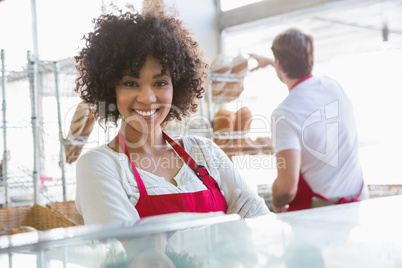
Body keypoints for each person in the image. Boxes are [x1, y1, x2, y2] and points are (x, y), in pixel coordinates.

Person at [73, 6, 270, 226]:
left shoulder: (204, 151)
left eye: (160, 83)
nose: (147, 98)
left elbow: (260, 220)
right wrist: (220, 221)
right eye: (131, 83)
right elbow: (131, 250)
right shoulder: (99, 165)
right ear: (111, 90)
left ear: (177, 87)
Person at [250, 28, 369, 213]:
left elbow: (287, 189)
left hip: (323, 214)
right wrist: (272, 62)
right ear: (310, 59)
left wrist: (276, 200)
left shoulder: (284, 113)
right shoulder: (334, 86)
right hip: (360, 203)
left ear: (279, 64)